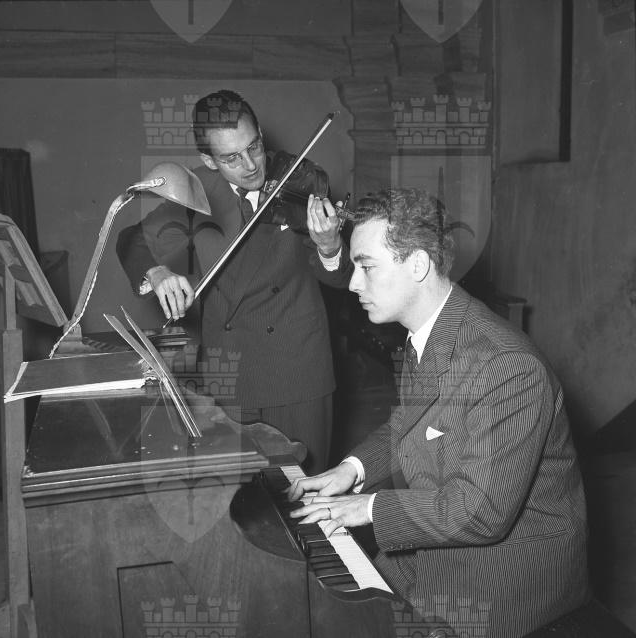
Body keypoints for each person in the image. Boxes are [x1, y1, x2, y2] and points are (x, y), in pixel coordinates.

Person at [287, 188, 590, 637]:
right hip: (441, 546)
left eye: (366, 266)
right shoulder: (429, 334)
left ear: (417, 265)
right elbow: (407, 427)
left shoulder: (506, 366)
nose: (352, 284)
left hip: (505, 575)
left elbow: (481, 511)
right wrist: (351, 471)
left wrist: (367, 506)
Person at [116, 89, 352, 473]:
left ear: (260, 134)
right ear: (208, 160)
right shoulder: (196, 191)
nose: (252, 166)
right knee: (242, 497)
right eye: (231, 158)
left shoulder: (300, 184)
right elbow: (132, 240)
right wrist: (157, 272)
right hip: (229, 374)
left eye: (254, 147)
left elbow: (342, 278)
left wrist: (329, 246)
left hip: (295, 372)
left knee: (305, 491)